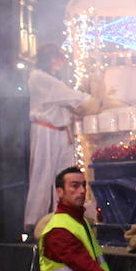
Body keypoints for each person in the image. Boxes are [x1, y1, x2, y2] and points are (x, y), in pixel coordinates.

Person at [22, 43, 107, 232]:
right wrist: (93, 99)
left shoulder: (51, 79)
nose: (60, 62)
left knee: (64, 176)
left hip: (62, 132)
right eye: (56, 58)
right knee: (43, 175)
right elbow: (71, 96)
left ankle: (61, 216)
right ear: (48, 59)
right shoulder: (39, 77)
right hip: (45, 131)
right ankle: (35, 222)